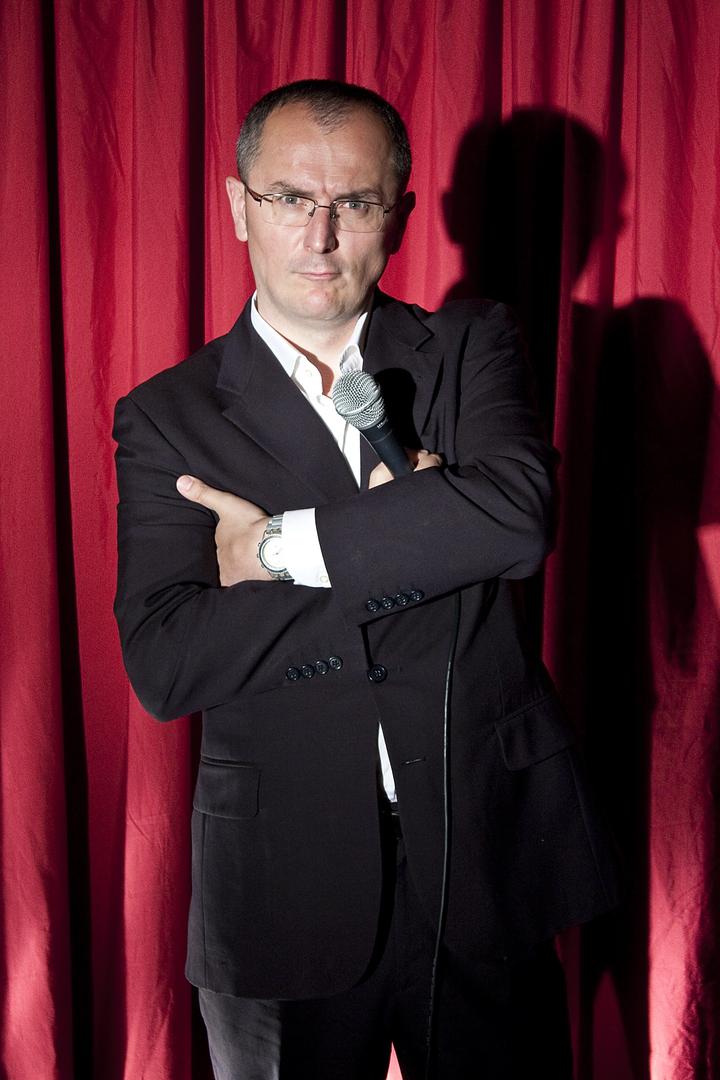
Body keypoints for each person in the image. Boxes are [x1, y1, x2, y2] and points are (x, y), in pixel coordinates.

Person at [113, 80, 619, 1079]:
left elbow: (519, 520)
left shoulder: (470, 345)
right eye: (290, 199)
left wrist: (277, 552)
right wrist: (423, 532)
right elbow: (167, 665)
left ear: (401, 214)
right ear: (238, 207)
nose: (321, 236)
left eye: (355, 202)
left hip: (486, 856)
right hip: (282, 883)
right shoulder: (168, 415)